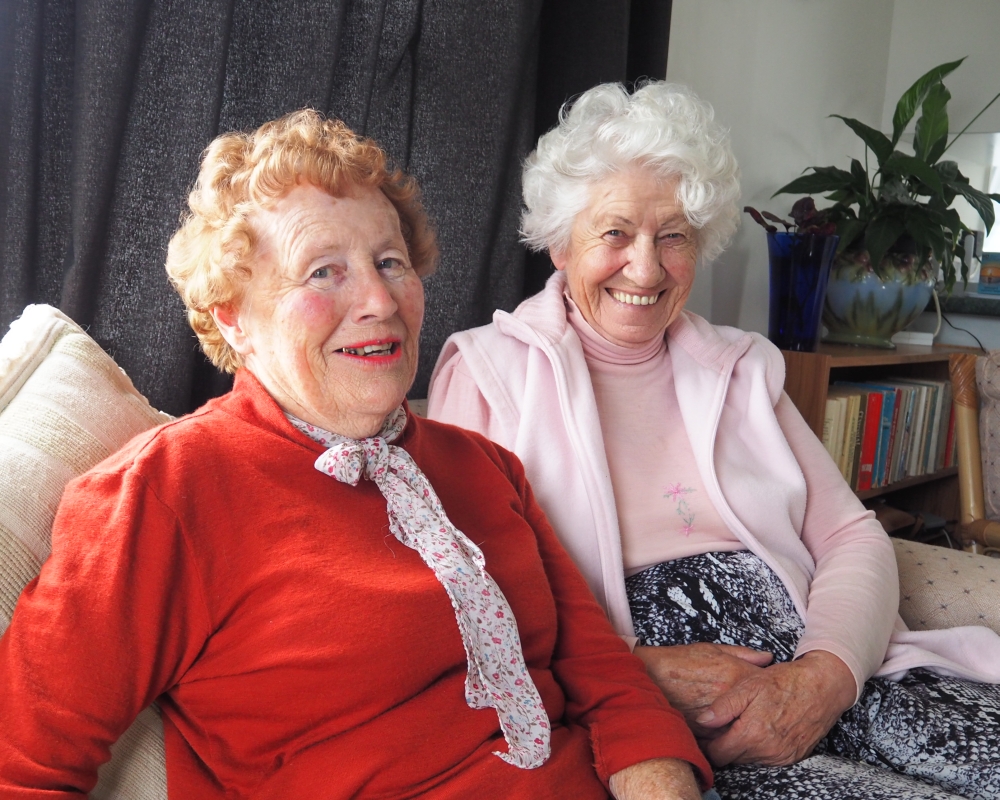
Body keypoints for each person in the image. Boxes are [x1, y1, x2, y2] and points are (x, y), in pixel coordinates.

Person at [0, 110, 714, 799]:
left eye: (390, 261)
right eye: (323, 272)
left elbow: (602, 675)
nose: (379, 299)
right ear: (233, 315)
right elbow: (22, 772)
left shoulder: (486, 467)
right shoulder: (162, 493)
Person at [427, 81, 1000, 800]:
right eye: (614, 232)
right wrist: (630, 670)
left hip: (833, 676)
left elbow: (853, 536)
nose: (646, 266)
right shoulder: (487, 372)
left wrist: (826, 674)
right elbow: (463, 596)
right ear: (558, 242)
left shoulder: (740, 366)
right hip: (658, 721)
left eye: (674, 236)